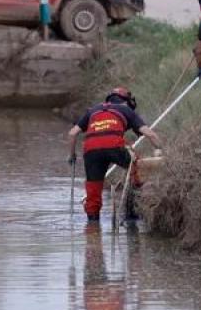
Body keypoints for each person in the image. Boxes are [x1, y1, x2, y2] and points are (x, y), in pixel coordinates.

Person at [67, 87, 163, 223]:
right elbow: (150, 134)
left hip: (91, 150)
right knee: (134, 168)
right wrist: (162, 150)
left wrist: (72, 156)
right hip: (114, 145)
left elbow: (72, 134)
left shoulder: (93, 110)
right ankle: (131, 212)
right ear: (125, 102)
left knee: (93, 188)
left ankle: (93, 229)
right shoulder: (125, 109)